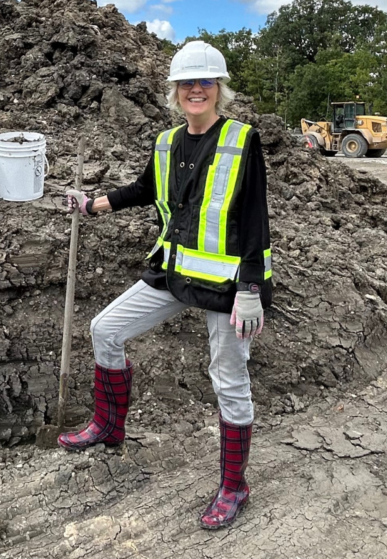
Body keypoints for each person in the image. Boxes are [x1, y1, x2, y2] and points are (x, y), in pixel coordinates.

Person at [60, 40, 272, 530]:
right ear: (175, 92)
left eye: (205, 83)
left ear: (219, 90)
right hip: (174, 273)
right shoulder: (166, 141)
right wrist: (93, 205)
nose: (195, 90)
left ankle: (233, 487)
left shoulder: (243, 139)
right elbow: (143, 189)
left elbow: (256, 218)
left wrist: (251, 289)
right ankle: (109, 427)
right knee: (105, 329)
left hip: (227, 286)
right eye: (187, 84)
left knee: (229, 379)